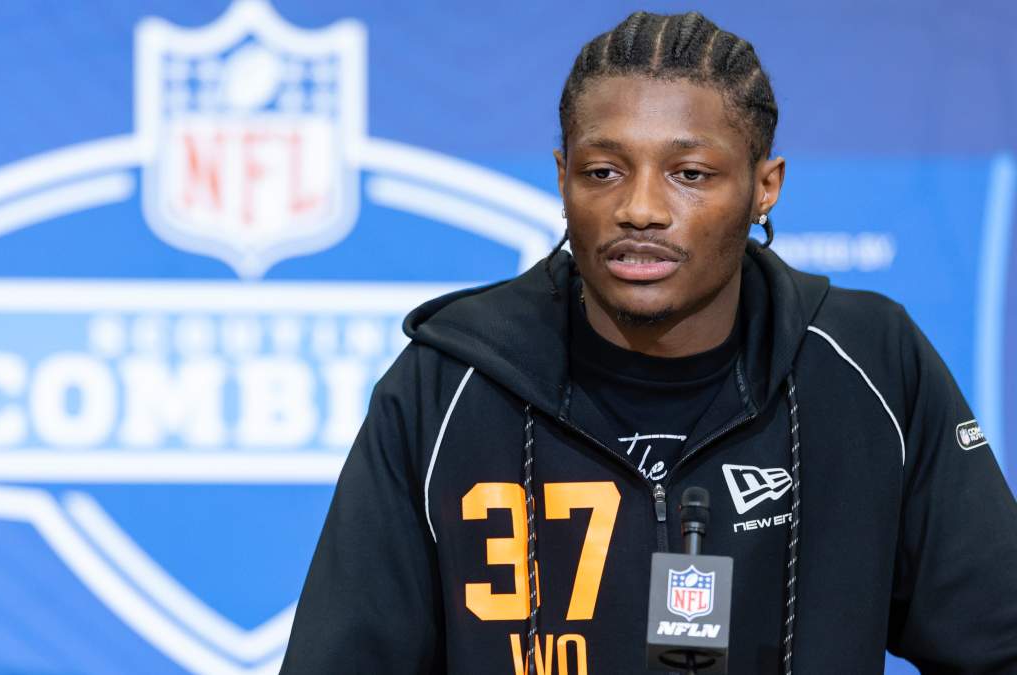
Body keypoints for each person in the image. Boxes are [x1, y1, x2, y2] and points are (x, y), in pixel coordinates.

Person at [281, 10, 1017, 674]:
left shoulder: (868, 364)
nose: (639, 208)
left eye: (689, 173)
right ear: (562, 178)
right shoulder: (445, 386)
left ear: (764, 187)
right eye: (603, 171)